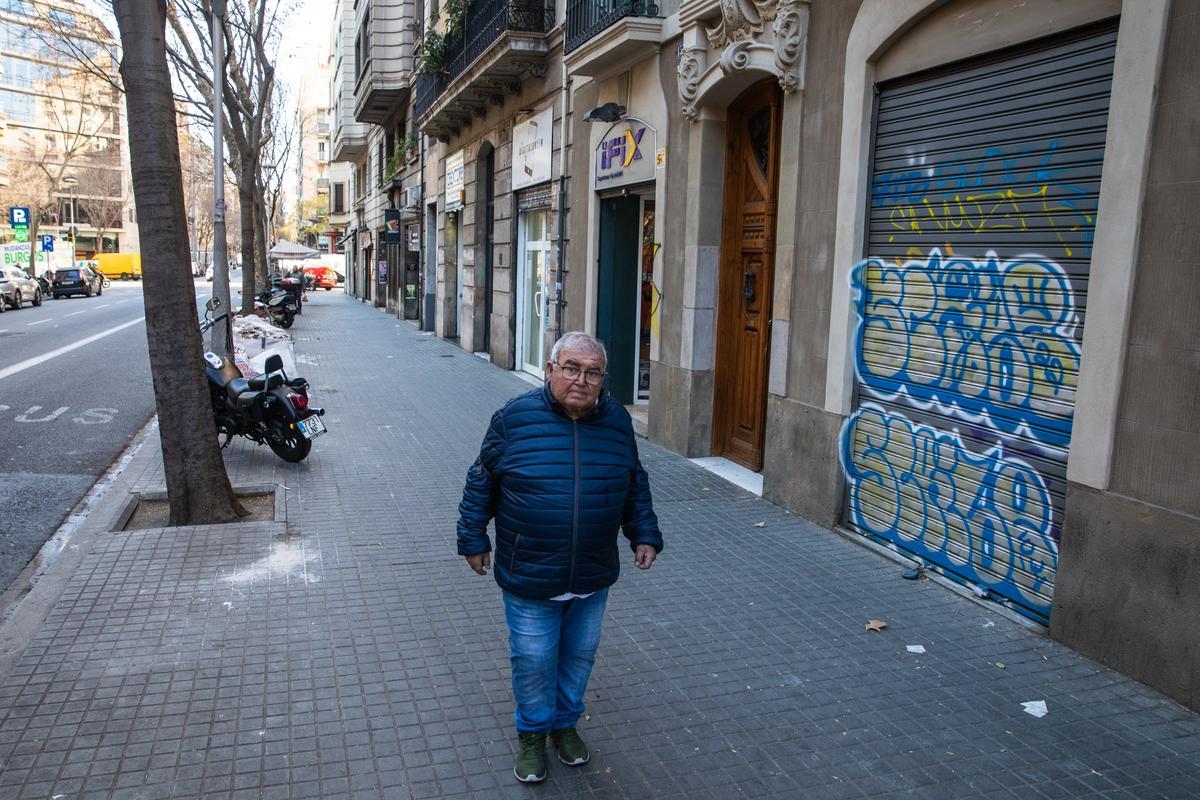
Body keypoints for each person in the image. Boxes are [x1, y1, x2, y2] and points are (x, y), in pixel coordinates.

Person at [457, 331, 663, 783]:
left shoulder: (616, 422)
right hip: (529, 572)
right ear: (550, 370)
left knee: (578, 658)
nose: (581, 380)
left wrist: (644, 533)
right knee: (533, 660)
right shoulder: (514, 418)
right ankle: (532, 734)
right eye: (571, 368)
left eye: (592, 373)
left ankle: (564, 725)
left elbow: (635, 481)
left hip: (592, 573)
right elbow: (481, 481)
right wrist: (472, 537)